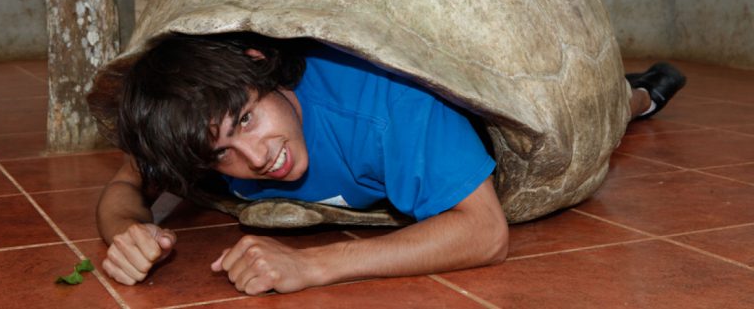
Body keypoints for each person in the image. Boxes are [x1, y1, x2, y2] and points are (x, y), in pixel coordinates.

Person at [96, 32, 686, 295]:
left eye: (248, 120)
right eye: (220, 151)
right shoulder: (199, 122)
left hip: (486, 90)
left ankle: (639, 93)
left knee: (600, 114)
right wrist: (126, 233)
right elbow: (127, 184)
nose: (256, 159)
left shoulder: (385, 105)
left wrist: (315, 266)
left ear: (261, 65)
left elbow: (484, 233)